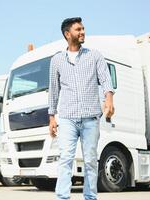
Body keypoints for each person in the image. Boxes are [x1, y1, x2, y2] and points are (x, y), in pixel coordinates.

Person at [48, 17, 115, 200]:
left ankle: (90, 197)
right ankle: (62, 197)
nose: (83, 32)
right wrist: (52, 117)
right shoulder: (57, 60)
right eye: (78, 29)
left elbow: (105, 79)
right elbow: (54, 89)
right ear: (67, 34)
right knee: (65, 159)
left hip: (91, 118)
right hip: (68, 118)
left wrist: (109, 99)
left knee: (91, 161)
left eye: (83, 28)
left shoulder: (95, 56)